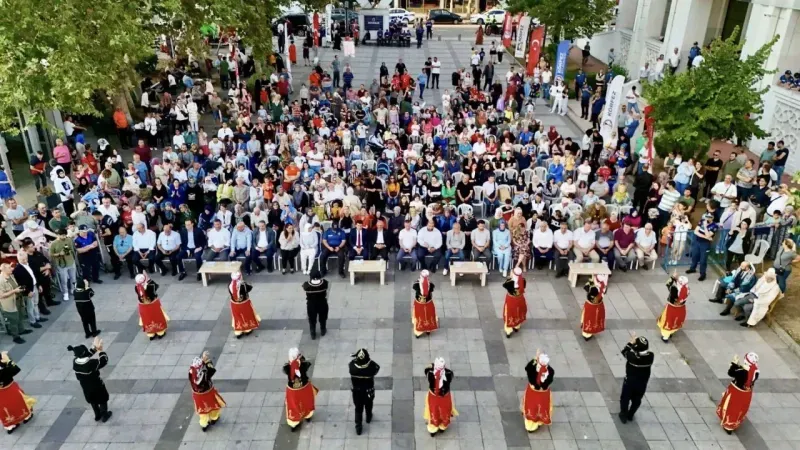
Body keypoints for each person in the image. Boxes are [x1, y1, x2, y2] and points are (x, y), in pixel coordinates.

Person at [68, 337, 112, 423]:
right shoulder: (91, 363)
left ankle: (97, 415)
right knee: (102, 399)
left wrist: (94, 348)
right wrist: (100, 351)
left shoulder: (75, 362)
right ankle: (104, 415)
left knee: (93, 401)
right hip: (96, 385)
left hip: (86, 387)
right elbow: (104, 361)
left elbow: (87, 355)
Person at [716, 352, 759, 434]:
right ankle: (735, 423)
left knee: (731, 408)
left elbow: (731, 373)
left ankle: (728, 426)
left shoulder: (741, 372)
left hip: (736, 392)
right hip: (746, 393)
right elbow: (746, 373)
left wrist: (734, 364)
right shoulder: (756, 373)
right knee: (739, 409)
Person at [619, 335, 653, 424]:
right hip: (642, 383)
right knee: (637, 400)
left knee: (625, 399)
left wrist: (630, 343)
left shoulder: (633, 358)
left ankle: (623, 414)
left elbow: (624, 352)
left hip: (630, 383)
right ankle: (631, 415)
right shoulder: (650, 357)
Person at [0, 350, 36, 433]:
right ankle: (17, 420)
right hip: (5, 389)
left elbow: (14, 370)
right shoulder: (4, 368)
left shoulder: (3, 366)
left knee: (12, 405)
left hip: (6, 389)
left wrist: (7, 361)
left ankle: (20, 419)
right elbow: (15, 370)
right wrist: (8, 361)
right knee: (10, 406)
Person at [189, 351, 226, 431]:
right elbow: (211, 370)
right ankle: (214, 417)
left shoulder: (192, 372)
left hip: (198, 395)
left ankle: (204, 423)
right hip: (208, 393)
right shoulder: (205, 374)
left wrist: (202, 361)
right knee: (213, 405)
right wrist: (206, 360)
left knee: (202, 410)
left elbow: (197, 369)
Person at [283, 347, 318, 431]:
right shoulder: (303, 365)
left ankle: (294, 423)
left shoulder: (287, 367)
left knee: (293, 405)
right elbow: (306, 363)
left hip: (293, 391)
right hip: (304, 388)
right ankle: (308, 416)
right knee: (306, 402)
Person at [349, 348, 380, 435]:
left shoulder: (352, 367)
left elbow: (352, 362)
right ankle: (368, 417)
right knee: (369, 405)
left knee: (358, 410)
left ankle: (358, 428)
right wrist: (368, 361)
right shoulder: (371, 368)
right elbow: (377, 367)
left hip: (357, 393)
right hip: (368, 392)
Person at [522, 351, 554, 432]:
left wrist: (535, 359)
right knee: (541, 408)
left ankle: (530, 426)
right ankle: (538, 422)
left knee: (531, 407)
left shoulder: (532, 369)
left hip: (533, 393)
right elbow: (548, 382)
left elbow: (527, 368)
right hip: (543, 394)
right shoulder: (550, 371)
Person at [424, 357, 456, 436]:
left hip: (435, 396)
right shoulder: (449, 373)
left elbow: (426, 371)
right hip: (443, 397)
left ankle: (433, 430)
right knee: (443, 412)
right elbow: (450, 378)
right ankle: (442, 427)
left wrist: (431, 366)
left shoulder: (430, 373)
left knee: (434, 412)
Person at [0, 263, 29, 344]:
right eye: (9, 268)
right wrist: (14, 291)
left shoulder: (11, 276)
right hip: (9, 304)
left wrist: (19, 289)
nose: (11, 269)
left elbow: (15, 286)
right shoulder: (1, 280)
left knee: (20, 316)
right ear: (4, 270)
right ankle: (15, 337)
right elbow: (1, 295)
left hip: (18, 300)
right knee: (13, 320)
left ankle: (21, 330)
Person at [134, 273, 169, 340]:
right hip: (153, 305)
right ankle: (160, 333)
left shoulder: (136, 287)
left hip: (143, 306)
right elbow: (156, 286)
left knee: (147, 319)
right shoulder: (150, 286)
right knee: (157, 317)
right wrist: (149, 279)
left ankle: (151, 334)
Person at [657, 273, 689, 342]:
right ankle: (671, 332)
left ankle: (665, 337)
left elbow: (667, 284)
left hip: (672, 308)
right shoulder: (687, 289)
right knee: (676, 321)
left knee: (668, 321)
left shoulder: (674, 289)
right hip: (681, 308)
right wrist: (676, 279)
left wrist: (672, 277)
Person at [229, 272, 259, 338]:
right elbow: (250, 288)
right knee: (246, 316)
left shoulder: (230, 285)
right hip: (244, 304)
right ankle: (247, 330)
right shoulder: (243, 285)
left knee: (237, 317)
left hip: (234, 304)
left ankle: (238, 332)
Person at [686, 213, 717, 281]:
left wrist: (705, 227)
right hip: (697, 242)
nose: (707, 218)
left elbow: (709, 235)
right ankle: (692, 269)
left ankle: (703, 274)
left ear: (712, 218)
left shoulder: (714, 226)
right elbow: (696, 232)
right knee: (694, 256)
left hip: (705, 244)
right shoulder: (702, 221)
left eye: (709, 217)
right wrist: (706, 237)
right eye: (707, 217)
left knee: (703, 260)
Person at [50, 228, 78, 300]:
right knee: (64, 280)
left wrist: (67, 250)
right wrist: (59, 254)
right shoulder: (53, 243)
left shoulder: (69, 240)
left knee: (73, 278)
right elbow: (51, 254)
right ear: (58, 235)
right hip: (61, 264)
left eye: (65, 235)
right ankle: (65, 293)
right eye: (62, 235)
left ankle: (73, 289)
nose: (64, 237)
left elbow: (72, 249)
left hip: (71, 261)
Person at [302, 269, 329, 340]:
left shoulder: (307, 285)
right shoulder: (324, 283)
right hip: (322, 303)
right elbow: (326, 285)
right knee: (323, 318)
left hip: (311, 305)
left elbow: (304, 287)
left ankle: (313, 333)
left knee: (312, 319)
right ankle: (323, 330)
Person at [502, 267, 527, 338]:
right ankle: (516, 327)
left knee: (509, 314)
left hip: (511, 301)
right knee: (518, 312)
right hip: (520, 299)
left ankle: (508, 331)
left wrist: (510, 277)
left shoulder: (509, 282)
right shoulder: (523, 280)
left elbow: (504, 285)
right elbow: (524, 286)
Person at [412, 270, 438, 338]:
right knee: (429, 316)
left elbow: (414, 288)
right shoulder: (431, 285)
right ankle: (428, 330)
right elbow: (431, 290)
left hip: (419, 303)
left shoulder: (416, 284)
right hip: (428, 303)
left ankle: (418, 332)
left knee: (419, 316)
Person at [581, 274, 607, 341]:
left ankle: (586, 333)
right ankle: (588, 332)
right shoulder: (602, 288)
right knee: (592, 319)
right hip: (597, 306)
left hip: (591, 306)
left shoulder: (593, 288)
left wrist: (590, 282)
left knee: (588, 318)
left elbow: (586, 288)